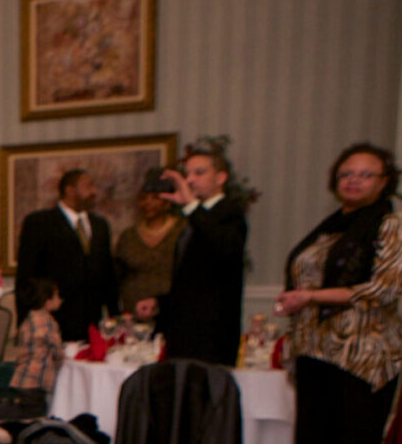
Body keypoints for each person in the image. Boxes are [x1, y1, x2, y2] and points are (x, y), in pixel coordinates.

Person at [275, 142, 402, 444]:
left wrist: (310, 295)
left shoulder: (391, 224)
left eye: (365, 174)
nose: (353, 180)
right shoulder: (330, 226)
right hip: (315, 350)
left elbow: (381, 290)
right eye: (347, 172)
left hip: (363, 356)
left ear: (385, 181)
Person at [146, 152, 248, 364]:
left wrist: (191, 205)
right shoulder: (194, 218)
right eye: (187, 174)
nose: (190, 179)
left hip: (211, 337)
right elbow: (193, 279)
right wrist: (160, 303)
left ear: (220, 178)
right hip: (183, 335)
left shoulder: (230, 213)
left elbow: (224, 249)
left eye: (199, 173)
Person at [15, 169, 114, 342]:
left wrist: (114, 314)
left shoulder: (100, 225)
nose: (94, 192)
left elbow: (108, 272)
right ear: (70, 190)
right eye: (88, 186)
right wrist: (25, 321)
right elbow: (26, 274)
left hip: (93, 323)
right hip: (54, 322)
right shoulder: (39, 223)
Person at [113, 171, 184, 316]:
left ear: (168, 202)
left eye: (155, 198)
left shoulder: (182, 231)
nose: (148, 203)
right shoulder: (128, 236)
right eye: (143, 198)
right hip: (134, 312)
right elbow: (117, 275)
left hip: (173, 310)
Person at [0, 278, 64, 419]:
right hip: (36, 379)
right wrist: (61, 361)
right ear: (48, 301)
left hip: (23, 375)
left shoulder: (29, 318)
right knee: (35, 412)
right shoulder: (48, 322)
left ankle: (3, 413)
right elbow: (57, 349)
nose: (60, 300)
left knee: (28, 408)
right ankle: (0, 412)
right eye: (57, 296)